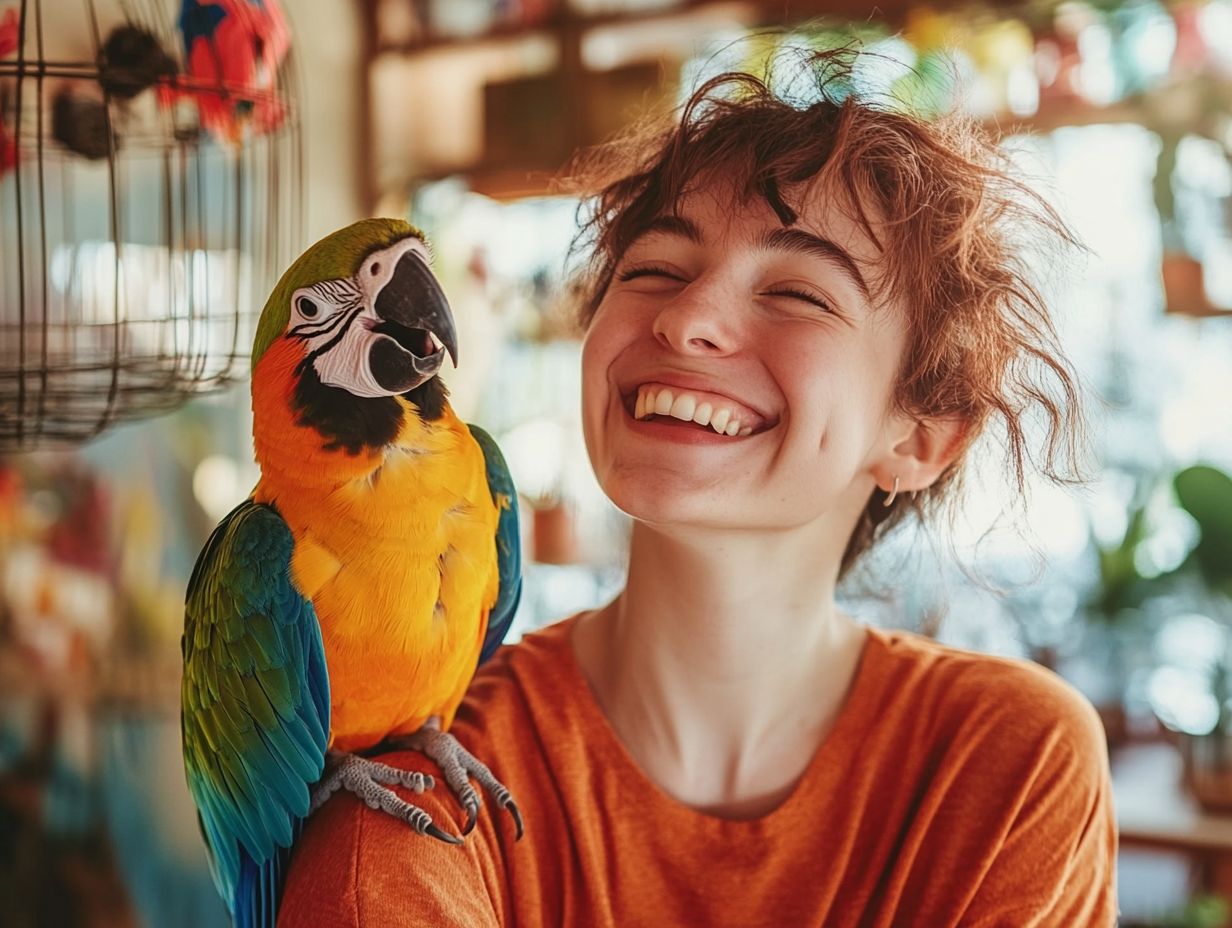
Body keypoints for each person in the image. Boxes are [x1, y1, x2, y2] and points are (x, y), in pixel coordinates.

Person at [279, 46, 1117, 926]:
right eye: (654, 272)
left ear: (921, 437)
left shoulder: (1009, 765)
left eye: (798, 292)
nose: (686, 319)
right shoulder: (414, 802)